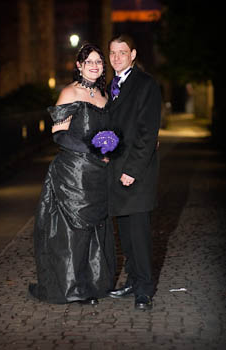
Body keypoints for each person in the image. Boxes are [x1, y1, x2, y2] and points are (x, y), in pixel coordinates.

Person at [28, 43, 117, 305]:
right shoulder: (70, 92)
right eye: (88, 61)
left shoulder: (104, 95)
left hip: (99, 172)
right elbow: (59, 133)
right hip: (73, 173)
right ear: (79, 66)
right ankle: (73, 288)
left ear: (103, 66)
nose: (94, 65)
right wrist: (91, 149)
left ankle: (93, 283)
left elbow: (109, 132)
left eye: (98, 61)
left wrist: (112, 147)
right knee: (73, 231)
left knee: (95, 228)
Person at [107, 35, 161, 311]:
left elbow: (147, 133)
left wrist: (132, 170)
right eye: (113, 53)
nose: (117, 57)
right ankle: (132, 281)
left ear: (133, 54)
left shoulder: (146, 85)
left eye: (122, 52)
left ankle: (144, 289)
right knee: (125, 233)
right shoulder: (111, 86)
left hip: (135, 174)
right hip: (115, 172)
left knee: (139, 235)